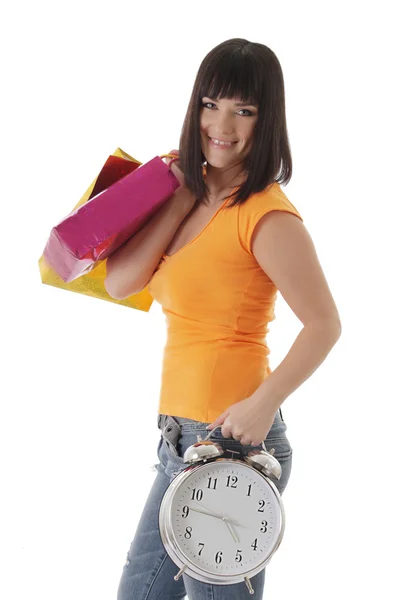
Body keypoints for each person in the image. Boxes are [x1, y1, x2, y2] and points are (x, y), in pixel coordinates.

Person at [105, 38, 342, 600]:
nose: (223, 124)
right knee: (140, 593)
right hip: (177, 440)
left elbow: (325, 324)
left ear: (268, 120)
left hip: (231, 439)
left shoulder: (266, 214)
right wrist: (184, 194)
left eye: (245, 110)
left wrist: (261, 405)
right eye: (212, 104)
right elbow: (120, 281)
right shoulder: (188, 191)